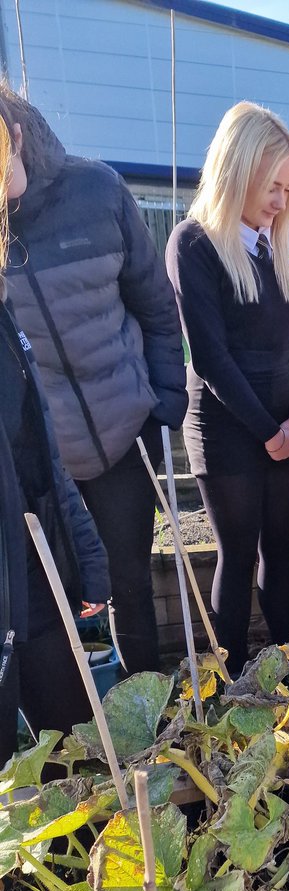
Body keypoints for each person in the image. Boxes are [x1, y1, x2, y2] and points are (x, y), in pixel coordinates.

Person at [0, 82, 186, 676]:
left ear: (16, 136)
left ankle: (145, 704)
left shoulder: (97, 191)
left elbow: (156, 304)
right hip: (39, 458)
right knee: (50, 601)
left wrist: (166, 398)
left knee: (130, 581)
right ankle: (74, 720)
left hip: (121, 433)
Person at [166, 102, 289, 674]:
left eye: (288, 188)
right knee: (238, 550)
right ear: (237, 171)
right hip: (225, 428)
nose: (281, 201)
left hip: (283, 425)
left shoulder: (283, 246)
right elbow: (210, 358)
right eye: (272, 186)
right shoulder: (194, 245)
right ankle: (231, 680)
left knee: (281, 547)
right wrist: (268, 431)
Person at [0, 111, 110, 765]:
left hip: (30, 570)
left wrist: (84, 553)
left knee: (82, 749)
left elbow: (35, 445)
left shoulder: (3, 309)